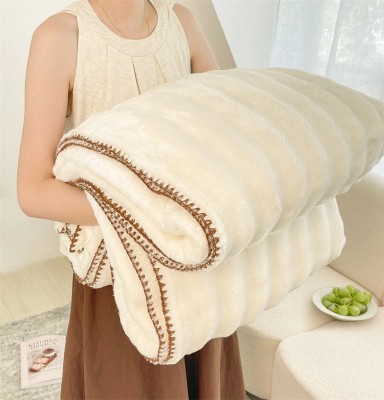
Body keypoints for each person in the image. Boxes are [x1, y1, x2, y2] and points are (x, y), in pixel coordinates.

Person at [17, 0, 246, 398]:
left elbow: (225, 133)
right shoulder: (61, 37)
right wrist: (152, 214)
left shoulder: (182, 22)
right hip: (121, 273)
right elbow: (33, 190)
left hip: (196, 262)